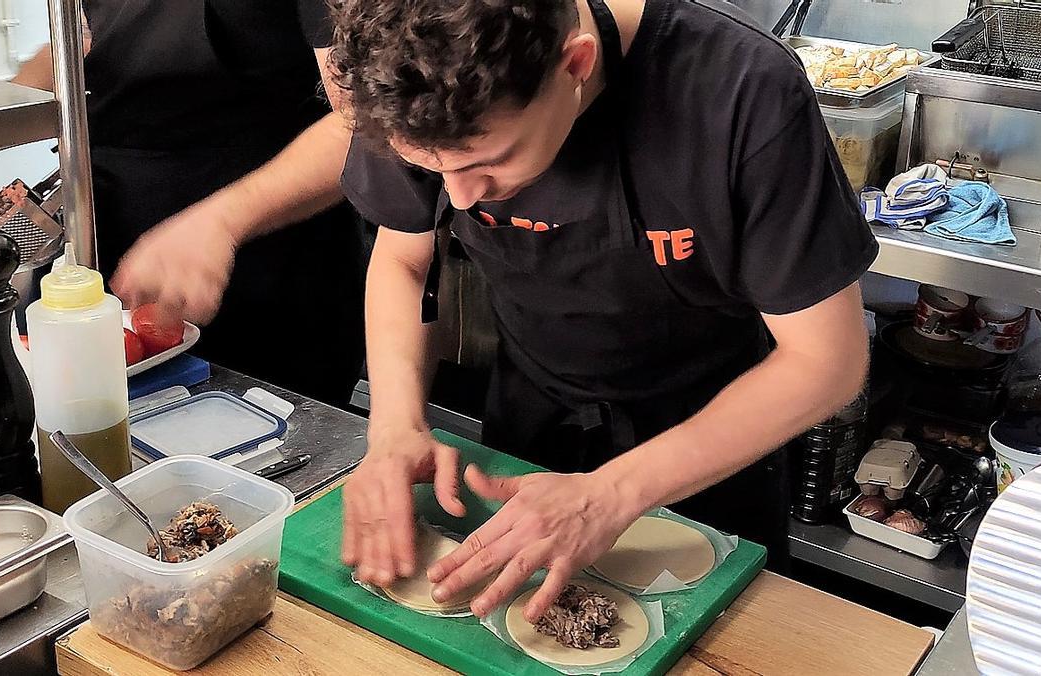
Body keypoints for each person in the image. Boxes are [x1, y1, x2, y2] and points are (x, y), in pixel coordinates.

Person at [322, 0, 878, 622]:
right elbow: (403, 260)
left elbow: (827, 360)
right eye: (432, 170)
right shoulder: (408, 80)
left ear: (575, 64)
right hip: (528, 430)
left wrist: (612, 494)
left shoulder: (742, 91)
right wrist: (395, 428)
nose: (460, 195)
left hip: (710, 448)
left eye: (491, 162)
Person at [0, 0, 364, 405]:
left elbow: (366, 122)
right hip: (116, 237)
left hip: (269, 259)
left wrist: (222, 221)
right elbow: (83, 39)